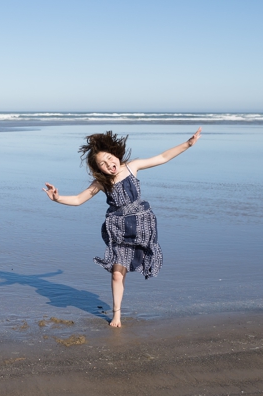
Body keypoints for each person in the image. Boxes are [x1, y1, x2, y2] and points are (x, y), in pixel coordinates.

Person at [43, 128, 202, 327]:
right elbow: (77, 199)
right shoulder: (102, 183)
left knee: (141, 259)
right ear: (98, 169)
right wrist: (57, 198)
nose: (109, 164)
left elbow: (162, 157)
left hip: (142, 225)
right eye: (102, 163)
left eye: (110, 158)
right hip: (118, 229)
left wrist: (187, 144)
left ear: (115, 155)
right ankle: (116, 314)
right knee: (117, 273)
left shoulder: (131, 167)